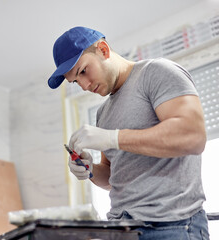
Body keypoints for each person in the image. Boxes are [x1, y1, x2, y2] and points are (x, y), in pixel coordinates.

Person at [47, 26, 210, 240]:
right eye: (76, 82)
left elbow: (193, 136)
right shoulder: (103, 113)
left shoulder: (156, 72)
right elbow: (114, 178)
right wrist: (91, 169)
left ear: (103, 50)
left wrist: (113, 137)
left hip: (171, 227)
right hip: (121, 230)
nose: (84, 86)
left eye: (84, 71)